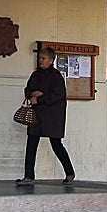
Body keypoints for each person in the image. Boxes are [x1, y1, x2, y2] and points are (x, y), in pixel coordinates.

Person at [16, 46, 75, 186]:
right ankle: (28, 175)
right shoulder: (35, 75)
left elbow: (58, 95)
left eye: (43, 58)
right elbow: (28, 89)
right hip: (37, 115)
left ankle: (70, 172)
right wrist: (32, 94)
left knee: (56, 144)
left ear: (51, 60)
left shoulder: (56, 77)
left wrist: (40, 98)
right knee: (31, 143)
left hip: (53, 116)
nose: (40, 61)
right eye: (40, 58)